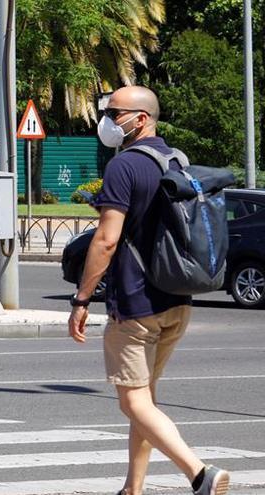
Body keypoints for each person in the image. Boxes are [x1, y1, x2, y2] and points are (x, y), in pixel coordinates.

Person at [68, 86, 231, 495]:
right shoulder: (177, 160)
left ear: (140, 118)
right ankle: (132, 489)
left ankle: (199, 474)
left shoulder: (124, 166)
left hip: (136, 304)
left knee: (132, 402)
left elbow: (106, 239)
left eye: (114, 112)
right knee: (145, 401)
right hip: (177, 300)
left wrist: (82, 299)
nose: (106, 119)